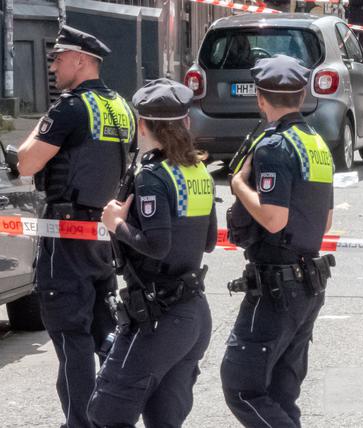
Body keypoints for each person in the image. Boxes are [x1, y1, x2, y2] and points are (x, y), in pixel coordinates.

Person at [15, 26, 135, 428]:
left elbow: (27, 163)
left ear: (81, 60)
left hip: (66, 236)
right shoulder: (121, 105)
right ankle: (116, 413)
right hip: (103, 235)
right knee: (104, 330)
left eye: (58, 58)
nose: (52, 66)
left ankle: (81, 423)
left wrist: (41, 125)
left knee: (71, 337)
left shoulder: (69, 108)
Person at [88, 78, 216, 427]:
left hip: (158, 317)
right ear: (186, 123)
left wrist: (116, 224)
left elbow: (158, 246)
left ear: (142, 125)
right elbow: (209, 242)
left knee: (104, 414)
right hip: (192, 316)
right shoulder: (197, 170)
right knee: (164, 420)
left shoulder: (152, 176)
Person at [220, 54, 337, 425]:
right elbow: (327, 219)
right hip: (307, 284)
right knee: (280, 393)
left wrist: (238, 183)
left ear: (259, 98)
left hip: (276, 286)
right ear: (302, 97)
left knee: (241, 387)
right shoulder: (315, 142)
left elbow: (273, 218)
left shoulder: (273, 146)